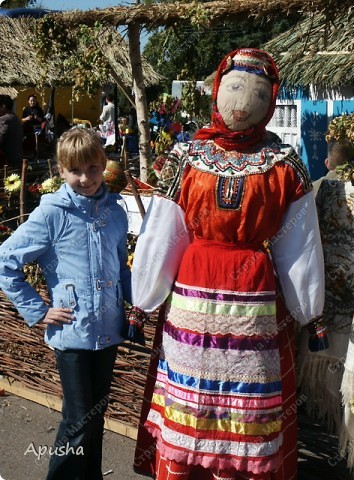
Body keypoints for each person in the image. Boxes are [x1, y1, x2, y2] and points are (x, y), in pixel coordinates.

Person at [128, 48, 327, 480]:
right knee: (191, 391)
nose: (241, 102)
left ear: (270, 101)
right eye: (234, 88)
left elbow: (300, 244)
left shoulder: (285, 165)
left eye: (255, 93)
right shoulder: (188, 157)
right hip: (194, 294)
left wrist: (309, 309)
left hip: (251, 294)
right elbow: (166, 230)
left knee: (246, 392)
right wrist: (144, 296)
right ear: (218, 91)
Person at [0, 128, 131, 480]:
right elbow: (5, 261)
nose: (85, 178)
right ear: (60, 170)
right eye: (75, 171)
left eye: (92, 168)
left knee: (97, 414)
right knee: (77, 418)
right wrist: (39, 311)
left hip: (107, 332)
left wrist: (136, 303)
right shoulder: (52, 214)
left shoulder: (116, 212)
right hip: (71, 333)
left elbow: (121, 267)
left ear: (103, 165)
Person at [297, 130, 354, 473]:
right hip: (351, 310)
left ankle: (335, 447)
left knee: (333, 387)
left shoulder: (318, 187)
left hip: (325, 310)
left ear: (329, 160)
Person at [0, 94, 23, 168]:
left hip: (6, 162)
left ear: (3, 107)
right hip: (17, 160)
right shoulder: (17, 119)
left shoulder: (4, 119)